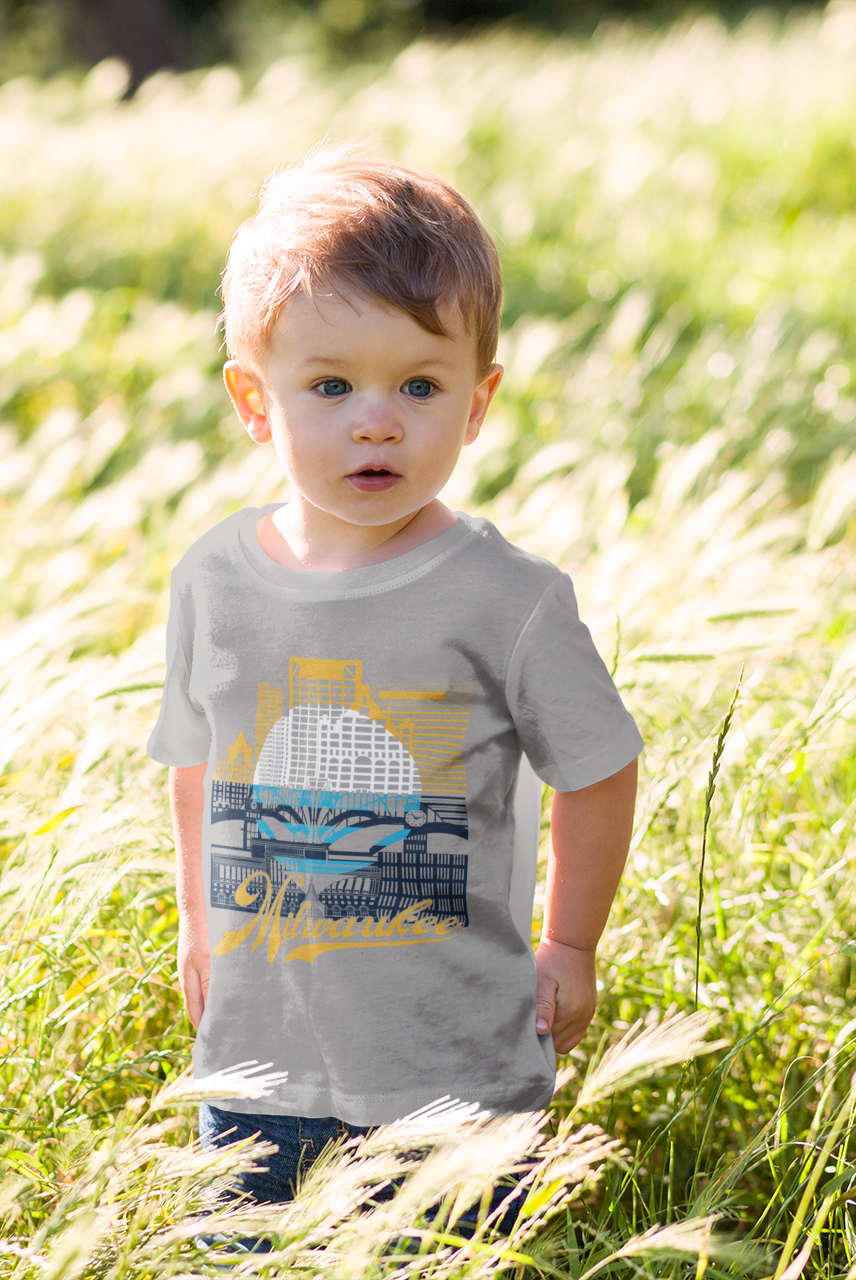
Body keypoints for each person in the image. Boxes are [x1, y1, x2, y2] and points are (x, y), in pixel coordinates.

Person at [146, 150, 641, 1230]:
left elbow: (599, 764)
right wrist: (198, 923)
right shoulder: (216, 580)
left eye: (420, 384)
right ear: (253, 399)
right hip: (257, 1066)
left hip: (451, 1065)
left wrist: (570, 941)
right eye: (331, 385)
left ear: (476, 403)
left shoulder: (508, 599)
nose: (378, 420)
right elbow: (198, 758)